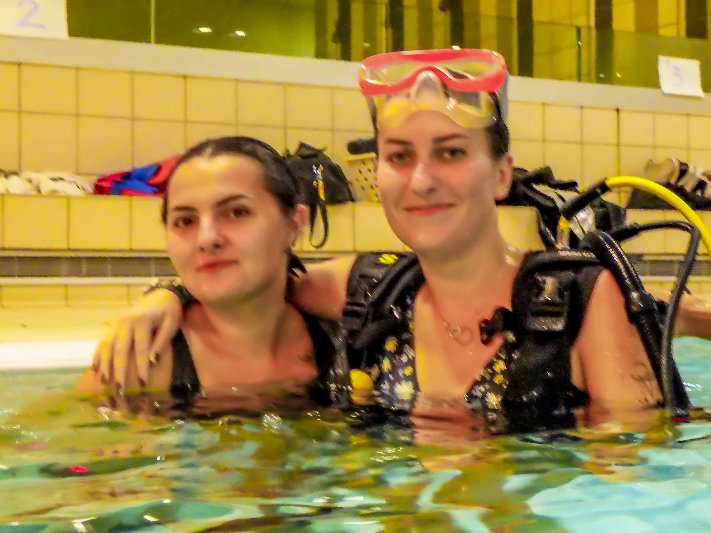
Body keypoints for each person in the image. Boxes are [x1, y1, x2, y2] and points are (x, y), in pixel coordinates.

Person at [90, 48, 669, 430]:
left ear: (500, 175)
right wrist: (167, 294)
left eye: (451, 152)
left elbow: (633, 489)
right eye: (399, 156)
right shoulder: (371, 290)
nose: (421, 180)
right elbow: (255, 279)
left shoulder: (579, 301)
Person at [77, 136, 335, 407]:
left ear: (295, 224)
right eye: (185, 221)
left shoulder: (347, 343)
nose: (207, 238)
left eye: (237, 212)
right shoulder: (140, 367)